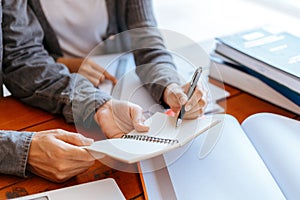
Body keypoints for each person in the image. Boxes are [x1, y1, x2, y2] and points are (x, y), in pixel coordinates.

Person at [0, 0, 206, 183]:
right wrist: (21, 151)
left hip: (86, 93)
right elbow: (21, 60)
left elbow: (22, 58)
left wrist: (169, 85)